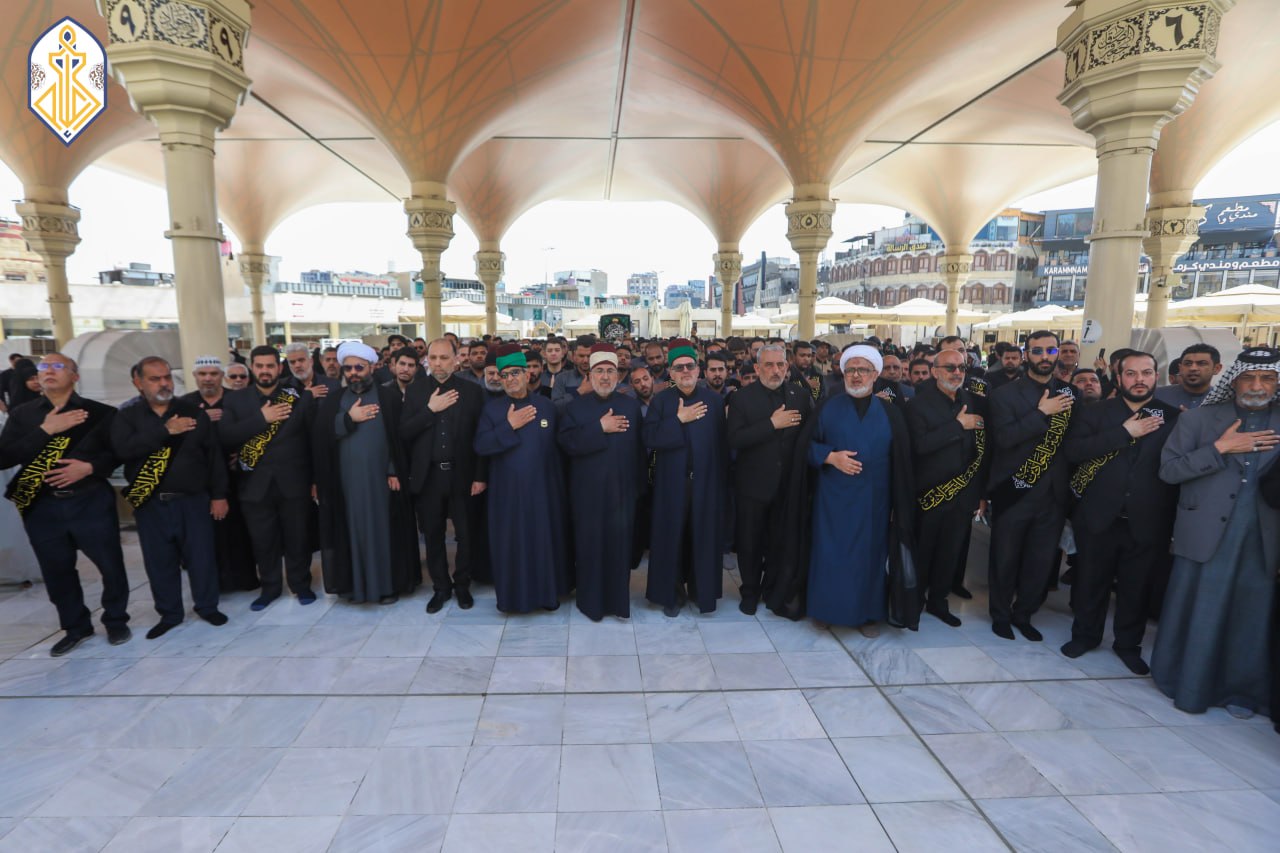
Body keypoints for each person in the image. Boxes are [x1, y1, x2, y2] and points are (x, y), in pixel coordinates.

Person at [1153, 346, 1280, 717]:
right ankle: (1189, 686)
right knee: (1201, 612)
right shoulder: (1198, 420)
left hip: (1263, 539)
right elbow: (1169, 471)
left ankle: (1243, 692)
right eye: (1249, 377)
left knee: (1251, 617)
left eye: (1267, 378)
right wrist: (1221, 448)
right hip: (1205, 535)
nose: (1257, 386)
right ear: (1233, 381)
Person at [0, 353, 131, 655]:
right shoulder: (23, 415)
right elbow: (5, 457)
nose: (49, 371)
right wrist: (46, 431)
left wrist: (90, 468)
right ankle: (75, 627)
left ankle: (116, 620)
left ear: (75, 376)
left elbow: (119, 454)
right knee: (57, 570)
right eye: (43, 367)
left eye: (58, 366)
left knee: (110, 565)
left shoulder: (101, 413)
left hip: (90, 502)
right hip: (42, 506)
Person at [1062, 352, 1178, 673]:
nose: (1139, 379)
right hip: (1098, 516)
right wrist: (1125, 433)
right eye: (1131, 373)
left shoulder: (1173, 417)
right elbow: (1074, 451)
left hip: (1148, 519)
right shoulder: (1096, 413)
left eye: (1146, 373)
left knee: (1136, 588)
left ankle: (1128, 645)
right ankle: (1085, 636)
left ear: (1156, 376)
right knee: (1090, 582)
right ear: (1118, 377)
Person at [112, 357, 229, 638]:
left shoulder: (192, 412)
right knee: (159, 561)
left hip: (193, 500)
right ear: (138, 382)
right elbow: (122, 451)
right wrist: (165, 432)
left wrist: (219, 495)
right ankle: (170, 613)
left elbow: (213, 456)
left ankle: (207, 606)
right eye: (155, 379)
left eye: (166, 377)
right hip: (151, 501)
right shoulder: (127, 416)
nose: (164, 383)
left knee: (201, 557)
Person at [804, 345, 915, 635]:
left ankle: (868, 615)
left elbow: (902, 460)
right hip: (833, 500)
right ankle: (825, 610)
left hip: (874, 502)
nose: (856, 376)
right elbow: (805, 446)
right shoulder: (827, 407)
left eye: (863, 370)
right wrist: (830, 457)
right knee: (830, 556)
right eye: (850, 370)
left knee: (870, 559)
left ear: (875, 374)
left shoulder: (891, 413)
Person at [313, 342, 419, 604]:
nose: (353, 373)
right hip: (346, 484)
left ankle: (387, 587)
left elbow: (400, 438)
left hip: (381, 482)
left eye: (359, 367)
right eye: (348, 368)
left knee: (384, 533)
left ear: (371, 367)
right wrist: (348, 418)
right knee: (351, 533)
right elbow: (321, 435)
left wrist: (394, 470)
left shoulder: (389, 398)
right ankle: (355, 587)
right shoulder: (335, 400)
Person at [986, 332, 1076, 641]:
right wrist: (1041, 413)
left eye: (1050, 350)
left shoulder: (1070, 393)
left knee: (1040, 561)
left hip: (1053, 494)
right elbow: (1004, 438)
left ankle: (1024, 614)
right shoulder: (1003, 395)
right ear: (1027, 355)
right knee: (1005, 558)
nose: (1044, 356)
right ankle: (1000, 615)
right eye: (1037, 350)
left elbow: (1075, 442)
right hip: (1015, 489)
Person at [219, 345, 317, 610]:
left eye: (270, 366)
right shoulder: (236, 400)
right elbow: (226, 437)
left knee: (298, 539)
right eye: (260, 366)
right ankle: (270, 588)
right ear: (252, 368)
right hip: (254, 485)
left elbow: (312, 440)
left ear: (279, 368)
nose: (265, 371)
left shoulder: (297, 395)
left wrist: (315, 480)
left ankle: (301, 584)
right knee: (263, 541)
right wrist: (262, 418)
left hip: (294, 482)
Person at [474, 344, 568, 612]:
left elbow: (557, 450)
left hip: (543, 492)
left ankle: (547, 597)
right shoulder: (492, 410)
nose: (510, 379)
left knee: (542, 544)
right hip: (508, 494)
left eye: (515, 373)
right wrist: (510, 426)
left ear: (527, 374)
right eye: (504, 375)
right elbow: (481, 446)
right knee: (512, 546)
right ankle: (514, 600)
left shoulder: (546, 407)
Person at [558, 343, 645, 620]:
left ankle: (618, 603)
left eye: (610, 371)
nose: (605, 377)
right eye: (599, 371)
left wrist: (638, 489)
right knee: (590, 549)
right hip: (587, 495)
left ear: (618, 375)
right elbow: (567, 444)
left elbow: (640, 451)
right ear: (590, 375)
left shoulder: (630, 406)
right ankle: (591, 604)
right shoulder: (575, 407)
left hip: (622, 494)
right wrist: (599, 428)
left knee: (619, 551)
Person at [402, 338, 488, 612]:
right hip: (429, 476)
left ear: (457, 359)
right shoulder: (415, 391)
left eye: (444, 358)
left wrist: (480, 476)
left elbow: (481, 437)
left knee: (466, 534)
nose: (438, 363)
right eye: (433, 358)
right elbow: (404, 432)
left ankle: (462, 584)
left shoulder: (472, 392)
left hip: (462, 475)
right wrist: (430, 410)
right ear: (427, 360)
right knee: (433, 535)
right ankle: (441, 587)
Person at [644, 338, 727, 616]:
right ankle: (673, 595)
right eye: (679, 368)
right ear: (671, 372)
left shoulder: (714, 401)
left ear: (698, 369)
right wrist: (678, 420)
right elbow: (650, 437)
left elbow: (722, 444)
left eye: (690, 366)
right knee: (672, 539)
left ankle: (702, 593)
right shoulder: (661, 401)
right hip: (672, 484)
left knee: (702, 538)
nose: (685, 371)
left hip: (706, 483)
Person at [905, 347, 987, 627]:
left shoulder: (971, 401)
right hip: (930, 495)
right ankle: (913, 603)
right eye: (950, 367)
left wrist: (979, 494)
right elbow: (920, 446)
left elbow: (980, 451)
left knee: (949, 554)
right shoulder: (918, 405)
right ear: (935, 371)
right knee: (923, 553)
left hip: (963, 495)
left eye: (961, 367)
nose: (957, 373)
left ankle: (938, 602)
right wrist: (957, 426)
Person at [726, 343, 810, 614]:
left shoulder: (800, 395)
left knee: (779, 542)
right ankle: (750, 591)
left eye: (780, 364)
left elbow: (808, 436)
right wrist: (772, 424)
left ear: (787, 366)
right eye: (769, 365)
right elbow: (734, 439)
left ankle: (772, 589)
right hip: (753, 485)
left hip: (788, 485)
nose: (776, 370)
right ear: (758, 367)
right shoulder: (741, 398)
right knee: (749, 542)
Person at [182, 355, 258, 592]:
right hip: (200, 479)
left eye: (213, 374)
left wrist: (243, 454)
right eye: (203, 374)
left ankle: (244, 579)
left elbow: (254, 431)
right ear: (195, 376)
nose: (208, 379)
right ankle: (213, 583)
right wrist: (201, 419)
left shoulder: (237, 400)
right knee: (205, 534)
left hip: (237, 477)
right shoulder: (184, 404)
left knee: (239, 531)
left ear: (221, 377)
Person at [1156, 343, 1221, 410]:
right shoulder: (1158, 396)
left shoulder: (1222, 400)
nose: (1193, 368)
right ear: (1180, 368)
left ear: (1216, 368)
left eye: (1201, 363)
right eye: (1188, 364)